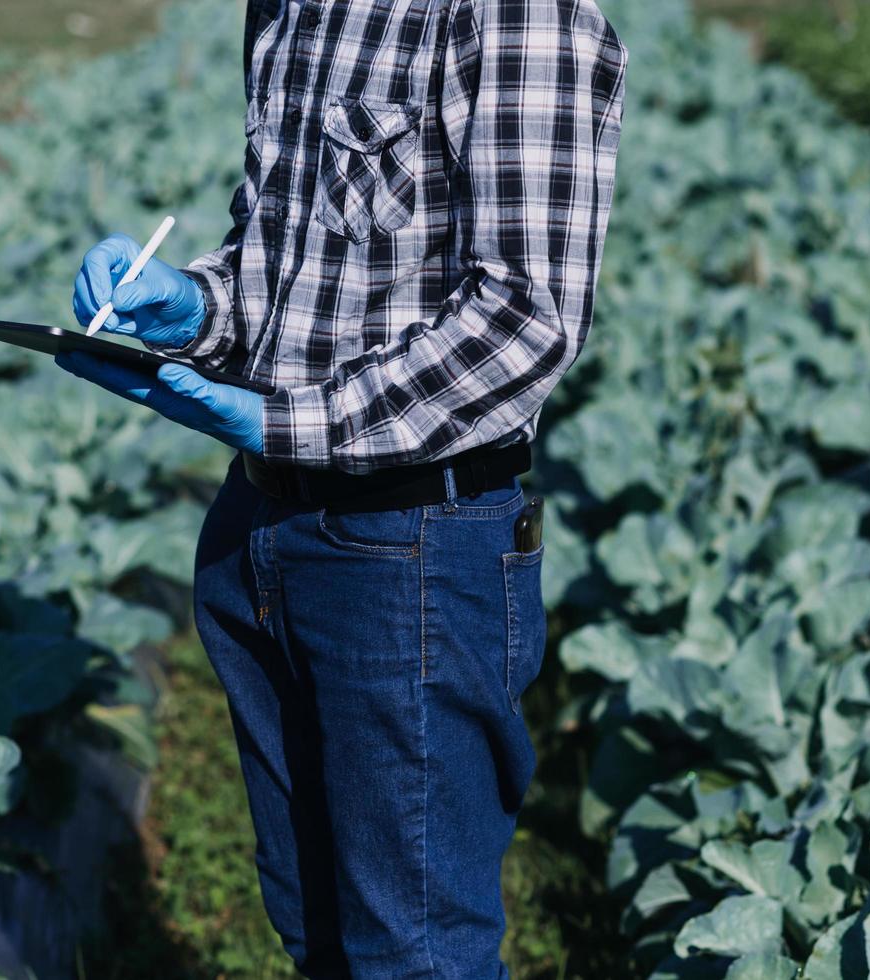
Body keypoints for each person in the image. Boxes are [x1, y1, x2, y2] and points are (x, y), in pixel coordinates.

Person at [59, 1, 627, 975]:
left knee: (412, 951)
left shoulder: (515, 13)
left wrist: (288, 422)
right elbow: (288, 271)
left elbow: (524, 316)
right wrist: (191, 304)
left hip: (409, 542)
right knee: (313, 923)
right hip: (263, 529)